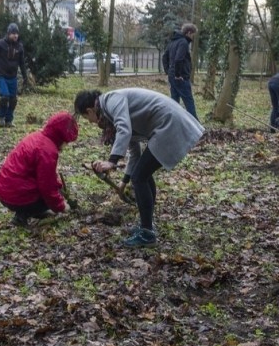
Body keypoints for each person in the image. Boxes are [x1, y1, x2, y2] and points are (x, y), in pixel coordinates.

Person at [74, 88, 204, 248]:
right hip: (167, 124)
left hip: (170, 124)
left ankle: (147, 232)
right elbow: (134, 150)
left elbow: (124, 129)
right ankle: (146, 225)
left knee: (140, 177)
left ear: (89, 110)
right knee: (143, 175)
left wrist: (112, 161)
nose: (92, 123)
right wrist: (124, 181)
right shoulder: (110, 110)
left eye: (87, 119)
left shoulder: (111, 100)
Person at [0, 111, 79, 226]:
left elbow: (48, 176)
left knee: (50, 194)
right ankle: (23, 215)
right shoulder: (47, 151)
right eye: (66, 142)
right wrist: (61, 206)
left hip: (4, 190)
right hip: (15, 195)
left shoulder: (37, 136)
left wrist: (58, 188)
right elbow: (47, 186)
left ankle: (29, 211)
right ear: (62, 137)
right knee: (47, 199)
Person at [0, 23, 28, 128]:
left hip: (12, 76)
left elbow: (22, 63)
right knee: (5, 96)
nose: (15, 36)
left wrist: (25, 76)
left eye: (17, 34)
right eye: (13, 33)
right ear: (8, 33)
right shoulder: (0, 45)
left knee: (13, 100)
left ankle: (9, 120)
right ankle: (1, 116)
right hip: (1, 75)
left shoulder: (19, 47)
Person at [163, 23, 199, 120]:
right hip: (180, 78)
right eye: (193, 35)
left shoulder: (173, 42)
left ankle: (173, 122)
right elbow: (179, 59)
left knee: (174, 102)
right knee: (189, 101)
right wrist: (178, 74)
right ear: (189, 32)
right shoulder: (183, 42)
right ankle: (196, 126)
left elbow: (164, 57)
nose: (193, 37)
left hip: (172, 77)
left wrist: (168, 71)